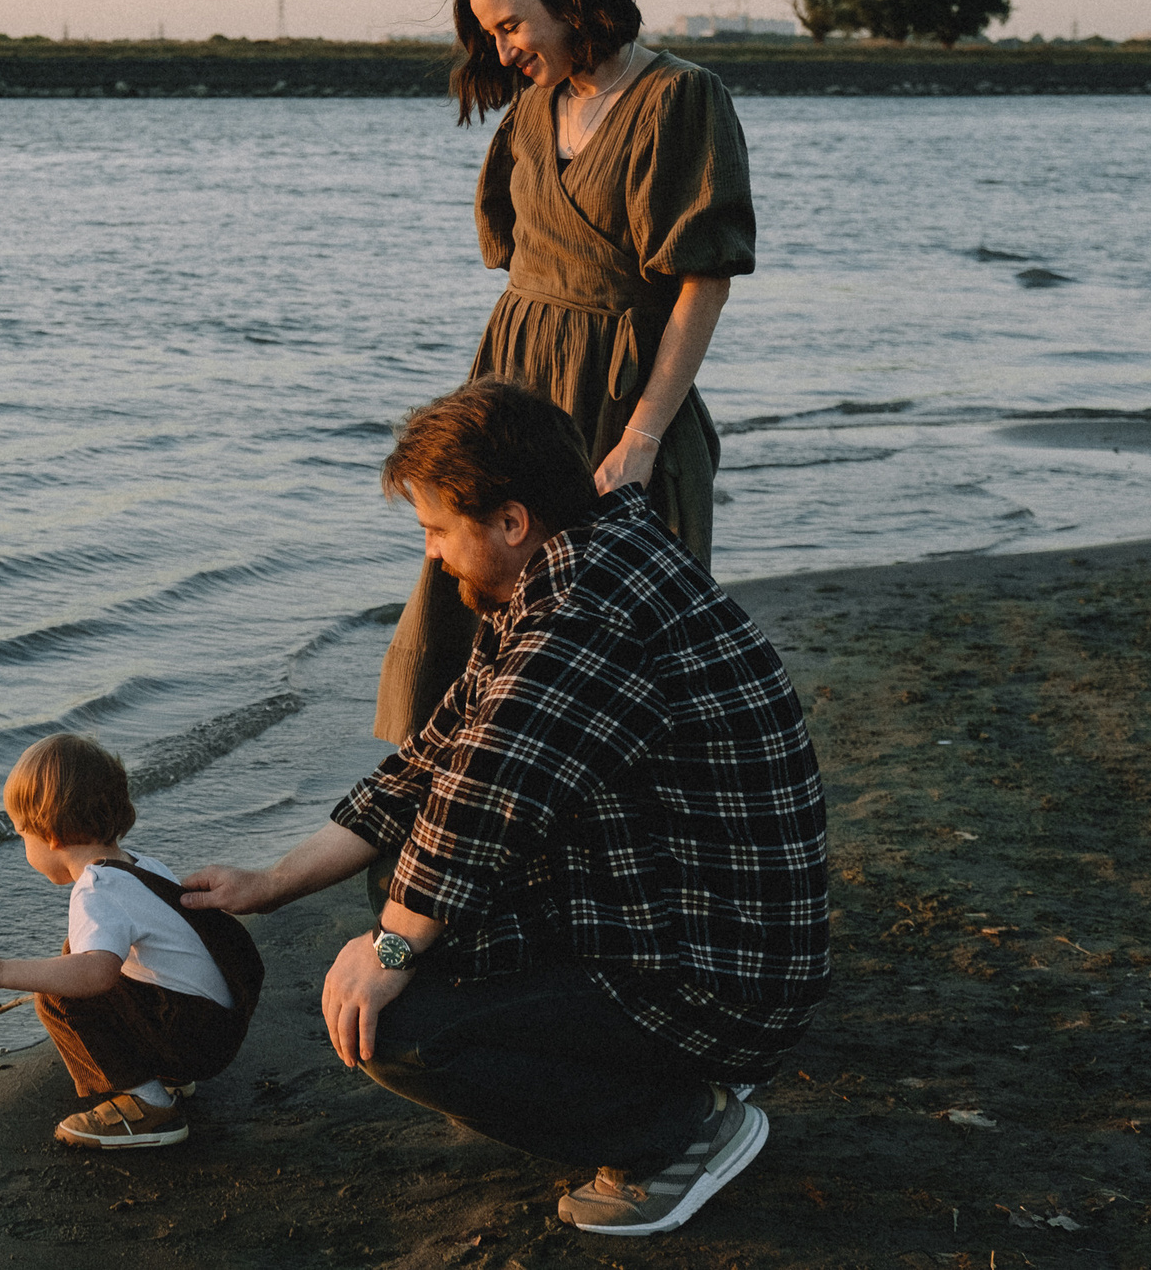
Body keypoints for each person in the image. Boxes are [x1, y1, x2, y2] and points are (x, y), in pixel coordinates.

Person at [183, 380, 827, 1236]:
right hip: (683, 916)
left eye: (438, 530)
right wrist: (268, 883)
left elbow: (480, 803)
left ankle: (681, 1130)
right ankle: (654, 1084)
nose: (433, 555)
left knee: (403, 1025)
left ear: (511, 521)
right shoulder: (577, 560)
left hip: (717, 977)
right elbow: (431, 766)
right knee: (405, 890)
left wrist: (386, 952)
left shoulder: (583, 613)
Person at [378, 0, 756, 748]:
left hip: (622, 394)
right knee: (472, 604)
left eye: (512, 25)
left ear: (571, 1)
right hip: (513, 382)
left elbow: (704, 282)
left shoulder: (679, 98)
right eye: (490, 34)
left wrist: (645, 436)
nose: (504, 51)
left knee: (610, 636)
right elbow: (523, 257)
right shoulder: (531, 109)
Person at [0, 733, 263, 1149]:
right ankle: (169, 1078)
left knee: (57, 996)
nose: (25, 847)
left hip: (196, 1041)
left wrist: (2, 971)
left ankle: (152, 1107)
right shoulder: (140, 866)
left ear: (51, 835)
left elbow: (94, 975)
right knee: (72, 953)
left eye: (23, 835)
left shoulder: (95, 889)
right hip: (216, 1025)